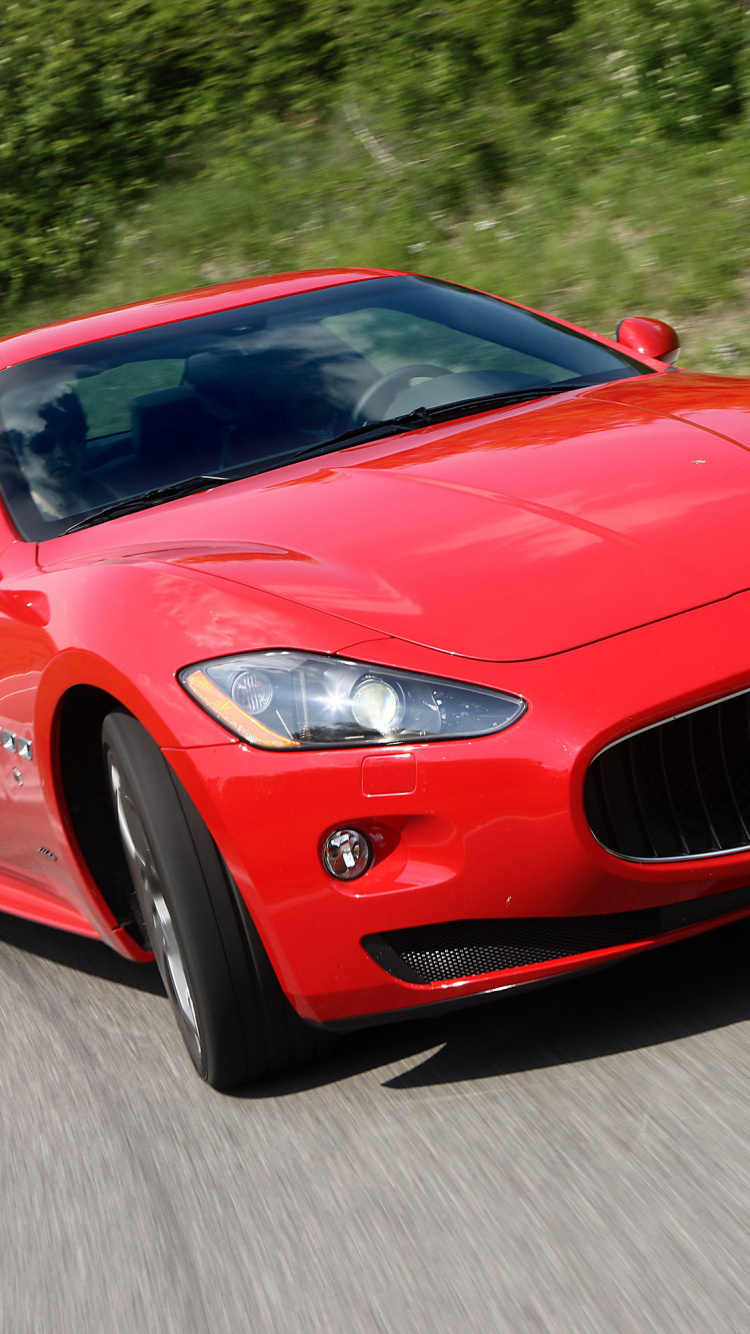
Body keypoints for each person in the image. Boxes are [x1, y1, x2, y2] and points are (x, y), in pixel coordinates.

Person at [10, 390, 111, 521]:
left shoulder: (119, 488)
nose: (61, 453)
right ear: (19, 456)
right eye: (42, 445)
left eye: (70, 438)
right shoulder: (22, 522)